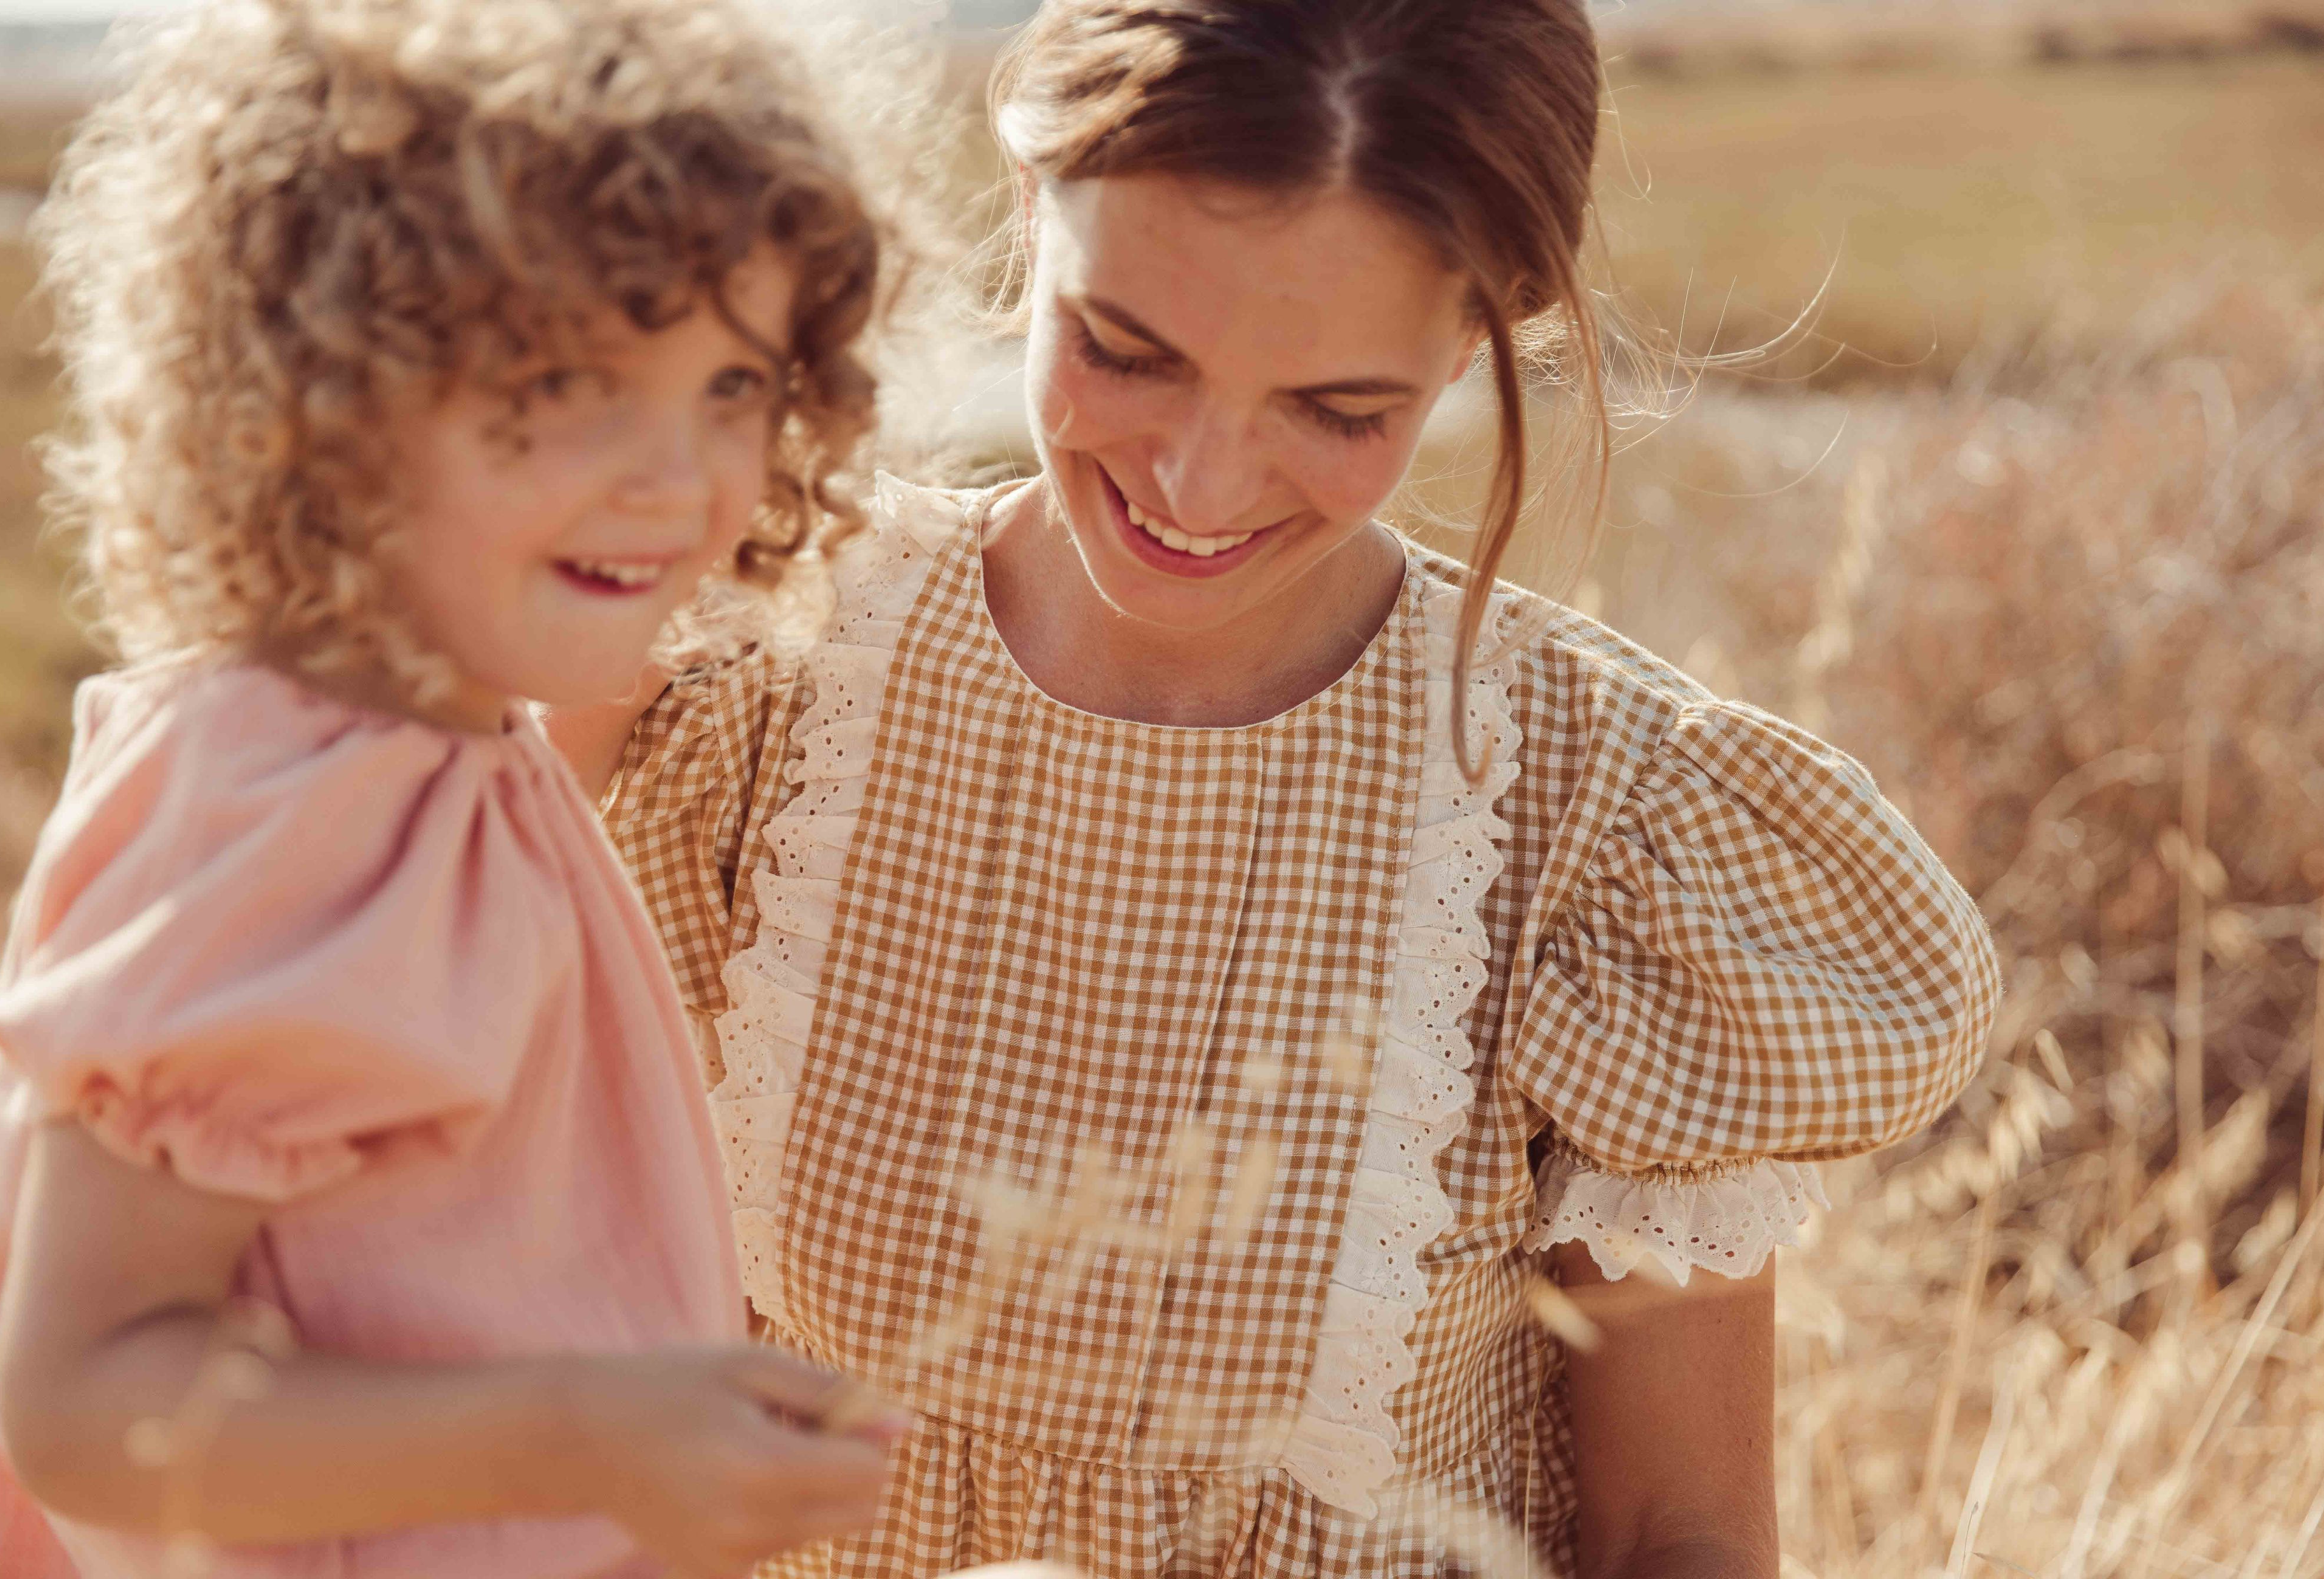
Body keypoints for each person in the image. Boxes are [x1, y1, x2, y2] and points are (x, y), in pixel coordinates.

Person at [550, 1, 2005, 1574]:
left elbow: (1683, 1539)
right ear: (1031, 212)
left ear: (1479, 336)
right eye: (1124, 349)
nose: (1199, 484)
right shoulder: (743, 664)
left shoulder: (1602, 827)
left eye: (1338, 409)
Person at [0, 1, 910, 1574]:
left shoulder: (448, 749)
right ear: (324, 389)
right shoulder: (287, 817)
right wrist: (590, 1435)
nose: (678, 478)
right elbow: (81, 1405)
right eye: (571, 380)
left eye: (732, 388)